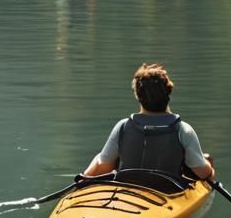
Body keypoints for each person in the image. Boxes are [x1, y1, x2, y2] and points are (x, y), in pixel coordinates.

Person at [81, 63, 215, 181]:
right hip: (167, 192)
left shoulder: (123, 127)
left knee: (101, 157)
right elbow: (202, 173)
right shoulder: (183, 130)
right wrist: (208, 165)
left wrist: (86, 176)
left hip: (127, 190)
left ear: (138, 96)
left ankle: (82, 179)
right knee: (205, 160)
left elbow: (104, 168)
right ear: (168, 94)